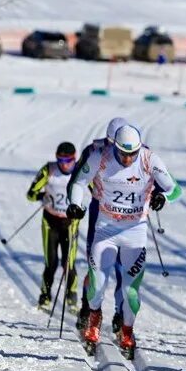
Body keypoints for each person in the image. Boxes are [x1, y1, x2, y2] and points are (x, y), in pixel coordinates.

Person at [67, 125, 183, 359]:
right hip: (105, 230)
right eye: (123, 153)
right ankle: (94, 319)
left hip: (135, 233)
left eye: (133, 153)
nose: (128, 158)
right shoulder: (101, 157)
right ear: (114, 147)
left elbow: (175, 189)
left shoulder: (149, 160)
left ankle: (127, 330)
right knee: (97, 285)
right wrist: (76, 204)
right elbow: (79, 182)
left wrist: (163, 197)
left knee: (130, 292)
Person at [75, 117, 129, 332]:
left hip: (128, 216)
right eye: (109, 143)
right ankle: (87, 307)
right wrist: (76, 204)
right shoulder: (94, 150)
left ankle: (121, 313)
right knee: (95, 263)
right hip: (100, 211)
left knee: (123, 267)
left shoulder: (137, 150)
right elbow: (78, 179)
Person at [27, 142, 81, 311]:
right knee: (51, 262)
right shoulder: (48, 170)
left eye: (68, 160)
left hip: (70, 224)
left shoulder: (81, 172)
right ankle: (45, 296)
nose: (64, 163)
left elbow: (98, 193)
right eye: (60, 159)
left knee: (69, 263)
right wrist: (42, 196)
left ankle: (71, 298)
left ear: (75, 158)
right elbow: (31, 194)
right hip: (50, 222)